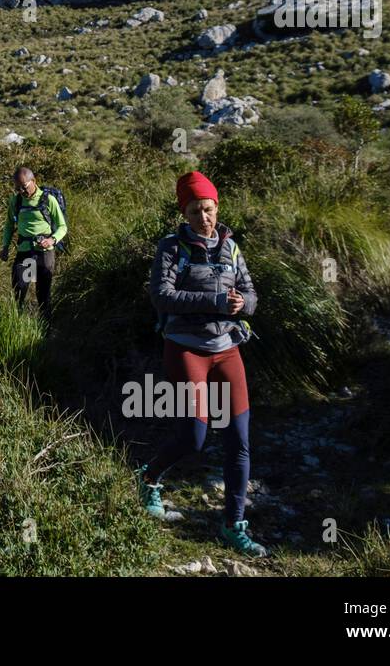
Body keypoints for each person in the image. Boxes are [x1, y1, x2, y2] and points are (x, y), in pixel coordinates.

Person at [137, 170, 267, 559]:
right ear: (185, 212)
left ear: (217, 208)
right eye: (195, 211)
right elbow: (161, 296)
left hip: (228, 348)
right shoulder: (171, 247)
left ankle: (234, 524)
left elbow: (250, 291)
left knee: (238, 440)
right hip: (186, 348)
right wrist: (212, 303)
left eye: (208, 209)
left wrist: (245, 305)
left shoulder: (231, 246)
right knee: (195, 434)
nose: (203, 218)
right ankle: (149, 478)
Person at [0, 166, 67, 323]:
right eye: (18, 188)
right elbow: (9, 225)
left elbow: (62, 226)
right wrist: (5, 246)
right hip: (25, 253)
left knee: (43, 295)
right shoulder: (16, 201)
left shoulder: (48, 200)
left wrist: (52, 240)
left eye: (24, 187)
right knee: (20, 289)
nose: (22, 191)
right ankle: (19, 325)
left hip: (44, 253)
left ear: (33, 181)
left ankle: (46, 330)